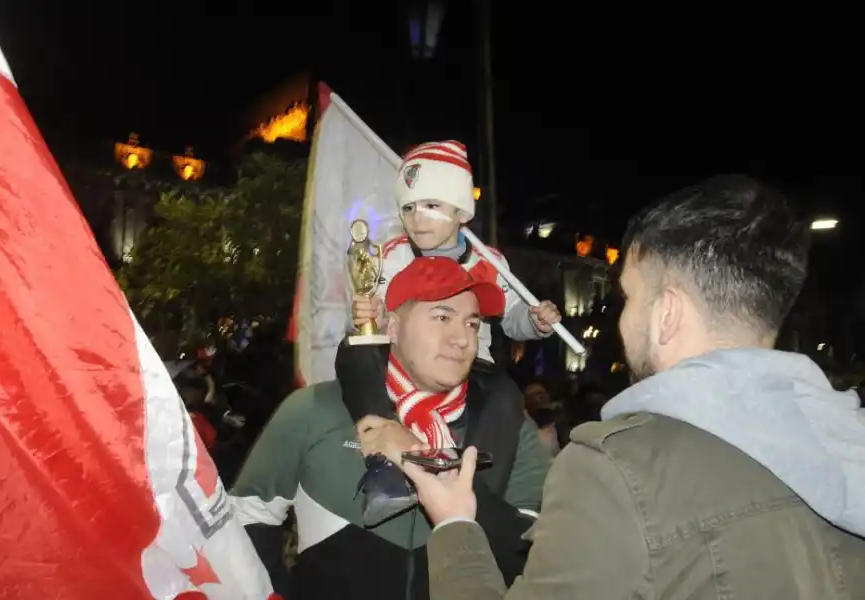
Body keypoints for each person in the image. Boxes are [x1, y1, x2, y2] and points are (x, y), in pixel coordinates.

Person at [400, 175, 865, 600]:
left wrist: (456, 525)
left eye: (630, 297)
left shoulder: (614, 471)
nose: (623, 317)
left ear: (667, 315)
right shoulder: (848, 439)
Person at [230, 257, 549, 600]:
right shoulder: (313, 409)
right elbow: (245, 519)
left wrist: (422, 457)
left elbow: (534, 556)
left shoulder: (511, 426)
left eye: (472, 324)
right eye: (442, 317)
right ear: (393, 328)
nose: (462, 338)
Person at [352, 140, 561, 362]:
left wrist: (534, 321)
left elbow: (512, 316)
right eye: (408, 207)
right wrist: (372, 315)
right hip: (409, 366)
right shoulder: (392, 256)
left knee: (504, 396)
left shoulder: (489, 261)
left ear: (461, 213)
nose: (417, 217)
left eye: (431, 206)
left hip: (471, 367)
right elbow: (381, 311)